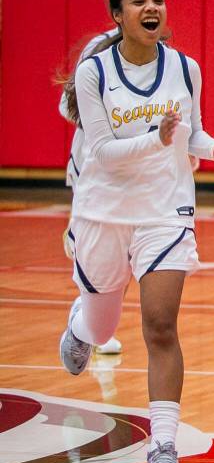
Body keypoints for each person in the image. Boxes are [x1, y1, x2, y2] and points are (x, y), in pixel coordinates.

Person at [59, 0, 214, 463]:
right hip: (104, 211)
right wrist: (157, 137)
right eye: (139, 1)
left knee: (160, 326)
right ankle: (83, 327)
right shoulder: (94, 73)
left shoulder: (185, 68)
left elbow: (189, 133)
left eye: (159, 0)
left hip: (165, 210)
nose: (153, 7)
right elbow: (102, 151)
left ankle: (162, 448)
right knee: (104, 327)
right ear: (118, 16)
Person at [60, 28, 123, 356]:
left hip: (142, 174)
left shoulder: (166, 58)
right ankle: (87, 313)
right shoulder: (99, 49)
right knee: (94, 248)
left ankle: (99, 318)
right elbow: (67, 106)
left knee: (130, 254)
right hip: (95, 166)